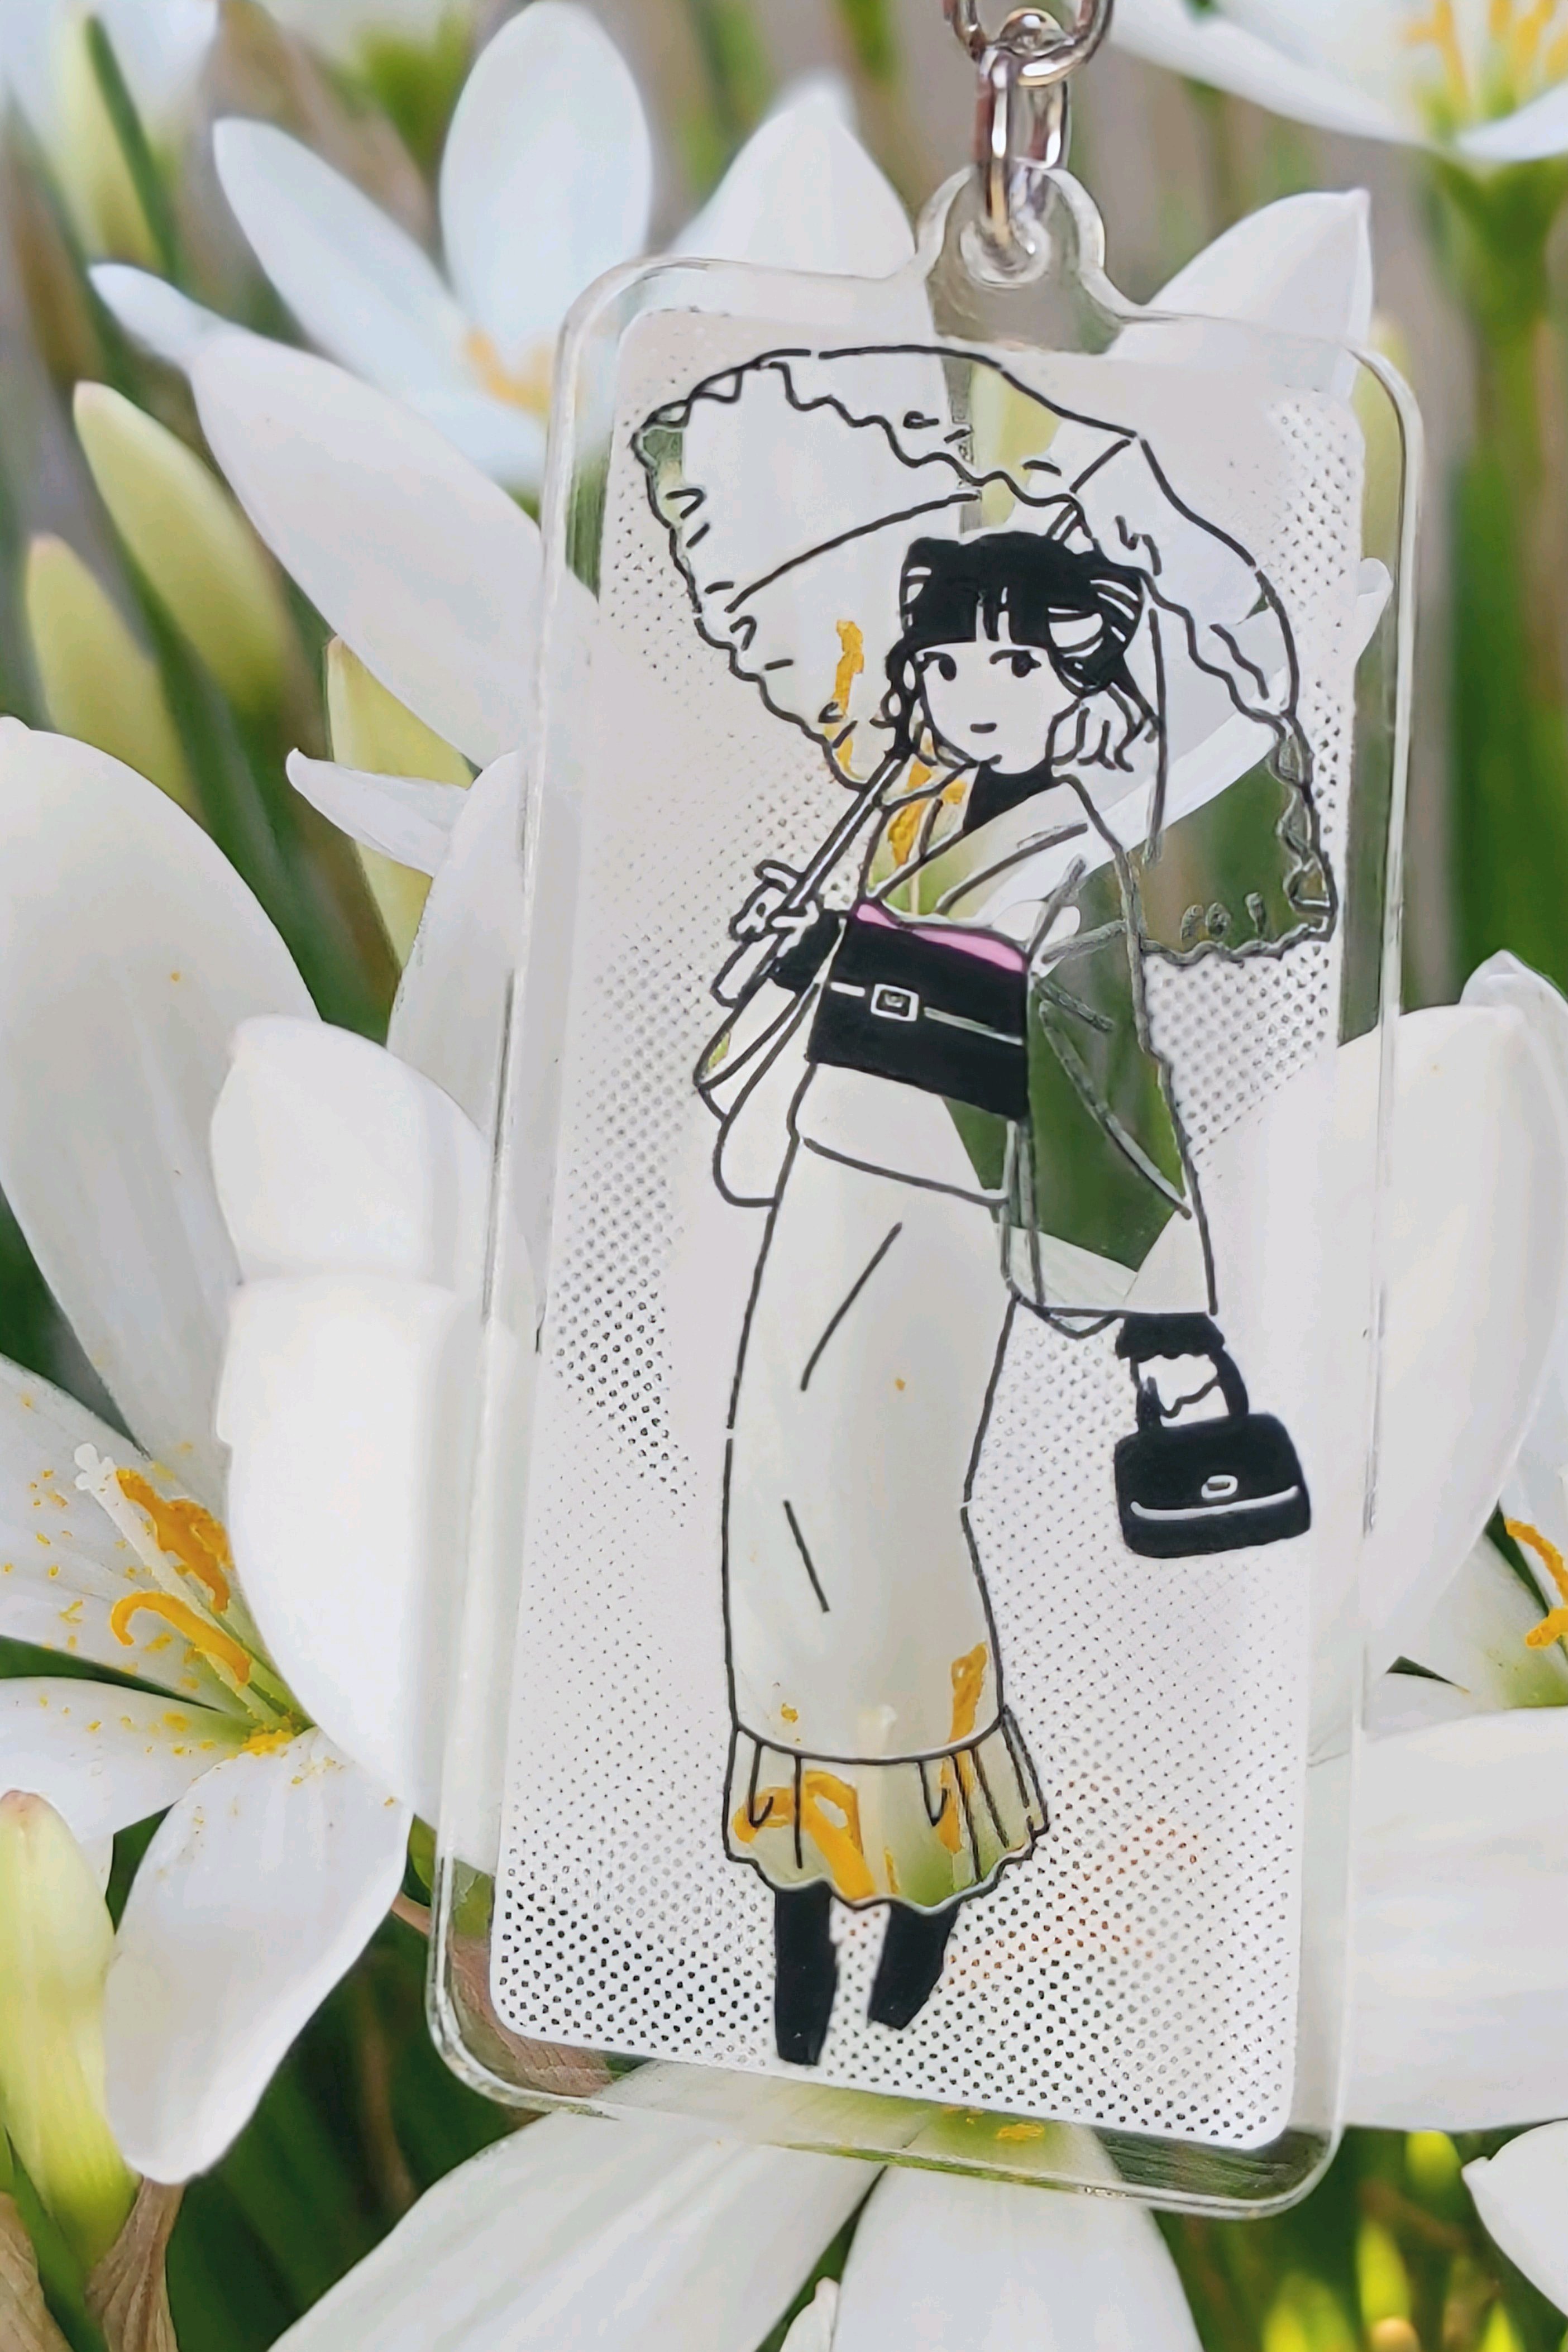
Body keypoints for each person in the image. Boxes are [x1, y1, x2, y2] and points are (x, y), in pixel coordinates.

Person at [695, 518, 1333, 2068]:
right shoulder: (904, 815)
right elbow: (866, 970)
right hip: (831, 1161)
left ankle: (925, 1886)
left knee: (891, 1518)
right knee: (772, 1497)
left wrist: (1170, 1327)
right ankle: (796, 1905)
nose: (975, 694)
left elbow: (1111, 1084)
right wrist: (803, 941)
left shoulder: (1074, 865)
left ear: (1081, 695)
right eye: (951, 664)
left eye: (1017, 668)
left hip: (942, 1191)